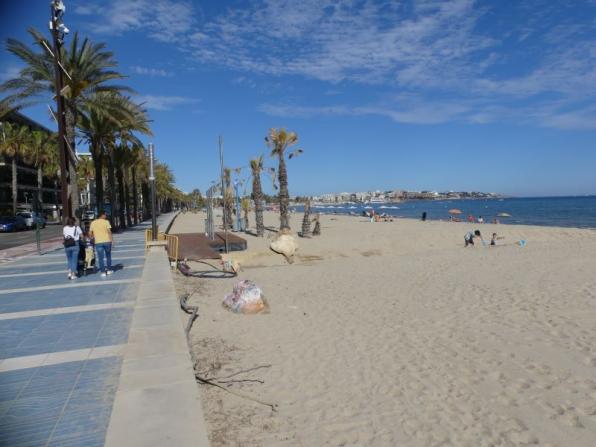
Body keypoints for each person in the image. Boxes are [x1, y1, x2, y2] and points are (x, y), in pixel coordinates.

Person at [89, 210, 113, 277]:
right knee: (108, 256)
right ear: (102, 215)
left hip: (98, 242)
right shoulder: (106, 222)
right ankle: (109, 270)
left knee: (100, 258)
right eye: (105, 214)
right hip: (107, 241)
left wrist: (92, 239)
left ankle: (103, 272)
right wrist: (112, 240)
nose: (106, 216)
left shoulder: (93, 223)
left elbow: (90, 233)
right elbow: (109, 232)